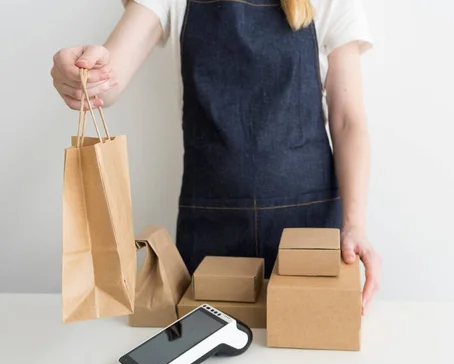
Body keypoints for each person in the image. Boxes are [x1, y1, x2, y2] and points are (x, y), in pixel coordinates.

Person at [51, 0, 382, 314]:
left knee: (305, 360)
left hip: (310, 231)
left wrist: (355, 225)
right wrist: (83, 73)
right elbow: (107, 82)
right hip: (212, 231)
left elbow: (347, 121)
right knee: (211, 362)